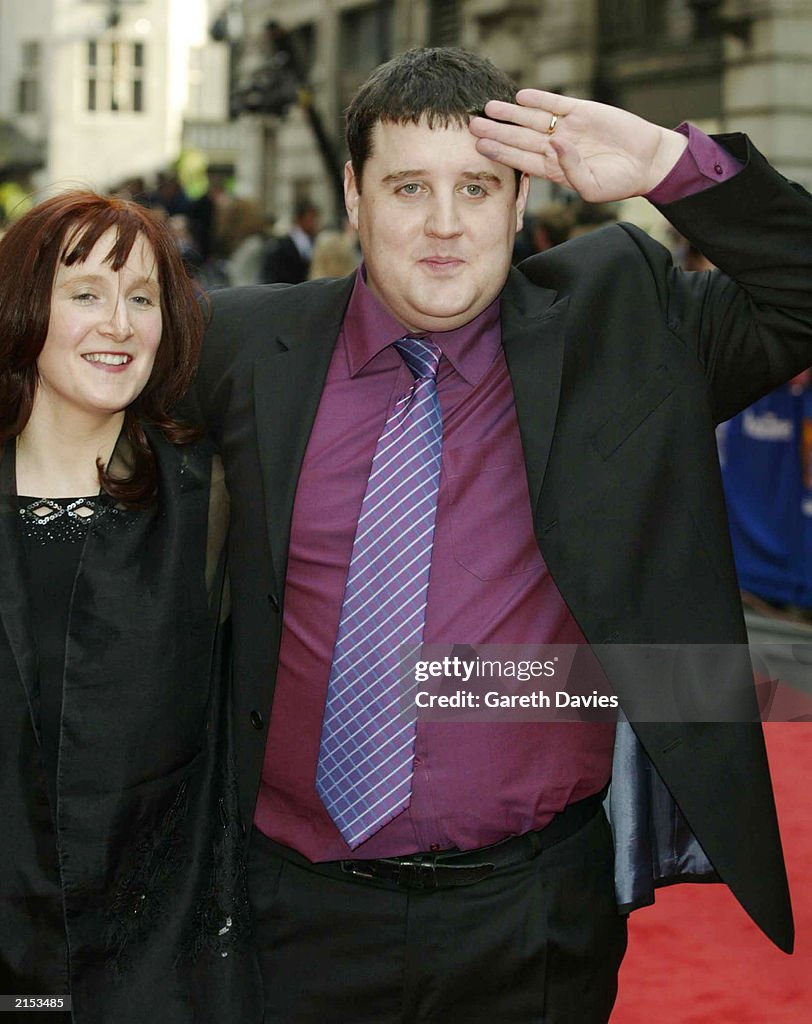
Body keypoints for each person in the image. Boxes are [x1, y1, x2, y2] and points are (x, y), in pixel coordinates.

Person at [194, 47, 810, 1022]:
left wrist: (666, 165)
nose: (443, 226)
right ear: (353, 195)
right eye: (407, 187)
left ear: (519, 199)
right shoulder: (241, 343)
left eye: (475, 188)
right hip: (285, 913)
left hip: (528, 919)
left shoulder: (620, 330)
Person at [0, 192, 261, 1023]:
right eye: (85, 293)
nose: (119, 323)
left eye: (142, 297)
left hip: (155, 973)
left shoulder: (210, 498)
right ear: (24, 306)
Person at [260, 198, 321, 284]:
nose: (315, 223)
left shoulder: (314, 241)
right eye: (311, 219)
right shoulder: (281, 246)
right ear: (300, 219)